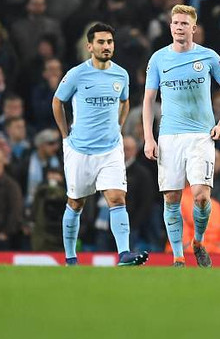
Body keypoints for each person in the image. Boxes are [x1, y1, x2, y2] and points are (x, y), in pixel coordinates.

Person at [143, 5, 220, 267]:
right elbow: (149, 100)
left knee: (201, 196)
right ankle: (178, 257)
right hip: (169, 136)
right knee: (171, 198)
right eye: (175, 23)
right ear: (170, 26)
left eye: (184, 23)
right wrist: (149, 137)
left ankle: (198, 241)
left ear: (193, 28)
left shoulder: (208, 56)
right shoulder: (158, 59)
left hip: (200, 135)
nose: (179, 27)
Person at [52, 23, 148, 267]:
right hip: (80, 149)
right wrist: (65, 135)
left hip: (110, 149)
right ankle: (70, 258)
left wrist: (118, 126)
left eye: (110, 42)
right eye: (101, 42)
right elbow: (57, 101)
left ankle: (124, 253)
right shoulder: (77, 74)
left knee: (117, 198)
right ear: (90, 46)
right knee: (76, 203)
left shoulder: (121, 75)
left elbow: (125, 102)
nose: (106, 46)